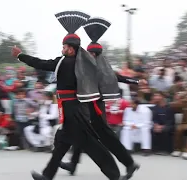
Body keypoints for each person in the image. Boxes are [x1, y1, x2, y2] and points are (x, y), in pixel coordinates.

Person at [12, 11, 124, 180]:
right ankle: (48, 175)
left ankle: (113, 174)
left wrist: (20, 56)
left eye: (64, 46)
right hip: (73, 108)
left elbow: (40, 63)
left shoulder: (65, 62)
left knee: (88, 145)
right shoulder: (81, 63)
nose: (62, 49)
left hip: (73, 110)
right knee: (64, 142)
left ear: (71, 49)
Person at [60, 17, 139, 178]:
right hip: (87, 104)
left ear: (95, 54)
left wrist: (133, 80)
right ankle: (73, 164)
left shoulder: (97, 66)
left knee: (105, 136)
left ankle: (129, 163)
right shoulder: (87, 65)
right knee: (82, 132)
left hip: (95, 106)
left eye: (90, 52)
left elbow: (115, 77)